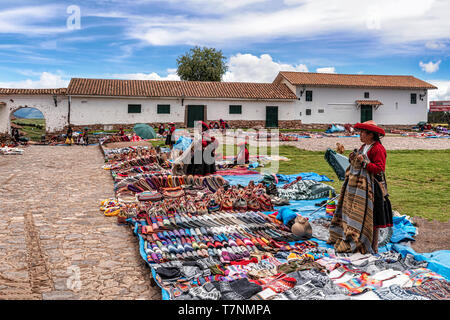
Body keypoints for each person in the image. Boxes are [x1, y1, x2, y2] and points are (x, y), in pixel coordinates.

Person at [327, 120, 392, 254]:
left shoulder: (378, 149)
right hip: (361, 187)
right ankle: (360, 239)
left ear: (371, 135)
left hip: (374, 187)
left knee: (373, 217)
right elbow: (360, 160)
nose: (360, 135)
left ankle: (373, 246)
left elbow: (379, 168)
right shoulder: (364, 147)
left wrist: (364, 163)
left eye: (362, 133)